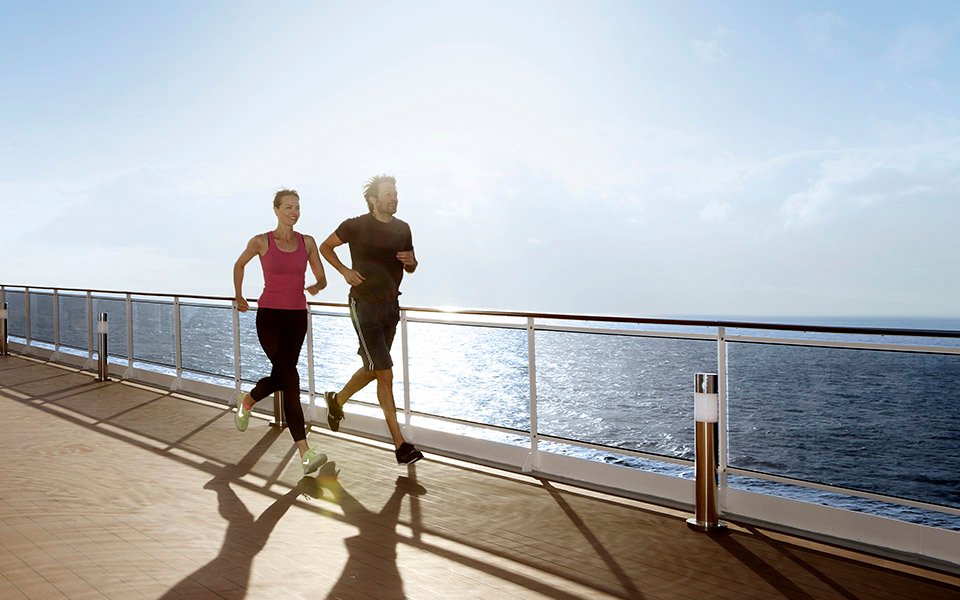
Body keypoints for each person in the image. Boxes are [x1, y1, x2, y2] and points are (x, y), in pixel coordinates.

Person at [319, 174, 423, 465]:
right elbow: (325, 247)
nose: (394, 198)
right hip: (362, 305)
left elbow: (411, 264)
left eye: (396, 193)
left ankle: (336, 400)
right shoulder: (355, 225)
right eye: (388, 194)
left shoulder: (403, 229)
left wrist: (413, 263)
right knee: (385, 373)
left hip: (391, 306)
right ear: (373, 200)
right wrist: (344, 271)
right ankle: (401, 446)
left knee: (373, 367)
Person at [232, 189, 328, 474]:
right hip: (270, 317)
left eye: (297, 207)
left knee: (284, 375)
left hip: (297, 317)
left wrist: (317, 285)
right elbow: (239, 264)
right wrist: (239, 296)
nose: (293, 212)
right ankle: (305, 453)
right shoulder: (261, 241)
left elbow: (322, 278)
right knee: (290, 378)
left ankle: (248, 400)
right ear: (275, 210)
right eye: (288, 207)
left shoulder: (307, 242)